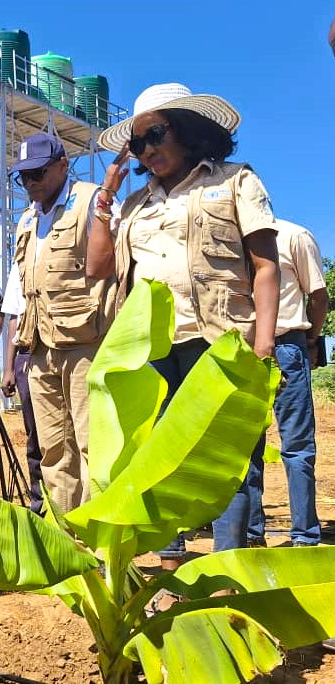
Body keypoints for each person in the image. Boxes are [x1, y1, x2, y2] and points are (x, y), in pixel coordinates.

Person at [89, 82, 279, 570]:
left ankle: (224, 568)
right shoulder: (133, 205)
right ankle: (170, 566)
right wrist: (105, 198)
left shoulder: (235, 182)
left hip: (218, 342)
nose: (147, 150)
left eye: (155, 134)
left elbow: (264, 267)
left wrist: (262, 344)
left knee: (226, 462)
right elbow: (96, 267)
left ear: (189, 130)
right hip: (149, 351)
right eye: (137, 144)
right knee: (156, 460)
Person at [0, 133, 118, 513]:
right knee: (52, 449)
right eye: (24, 177)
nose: (31, 183)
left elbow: (117, 270)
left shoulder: (93, 202)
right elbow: (19, 292)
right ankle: (66, 537)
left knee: (93, 446)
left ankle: (98, 543)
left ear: (63, 165)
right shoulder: (27, 221)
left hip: (86, 344)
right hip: (38, 350)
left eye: (38, 173)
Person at [248, 219, 327, 548]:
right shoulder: (230, 239)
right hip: (246, 349)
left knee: (291, 446)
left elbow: (318, 296)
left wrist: (309, 341)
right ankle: (286, 537)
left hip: (285, 345)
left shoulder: (294, 235)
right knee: (251, 450)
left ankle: (296, 536)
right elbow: (320, 297)